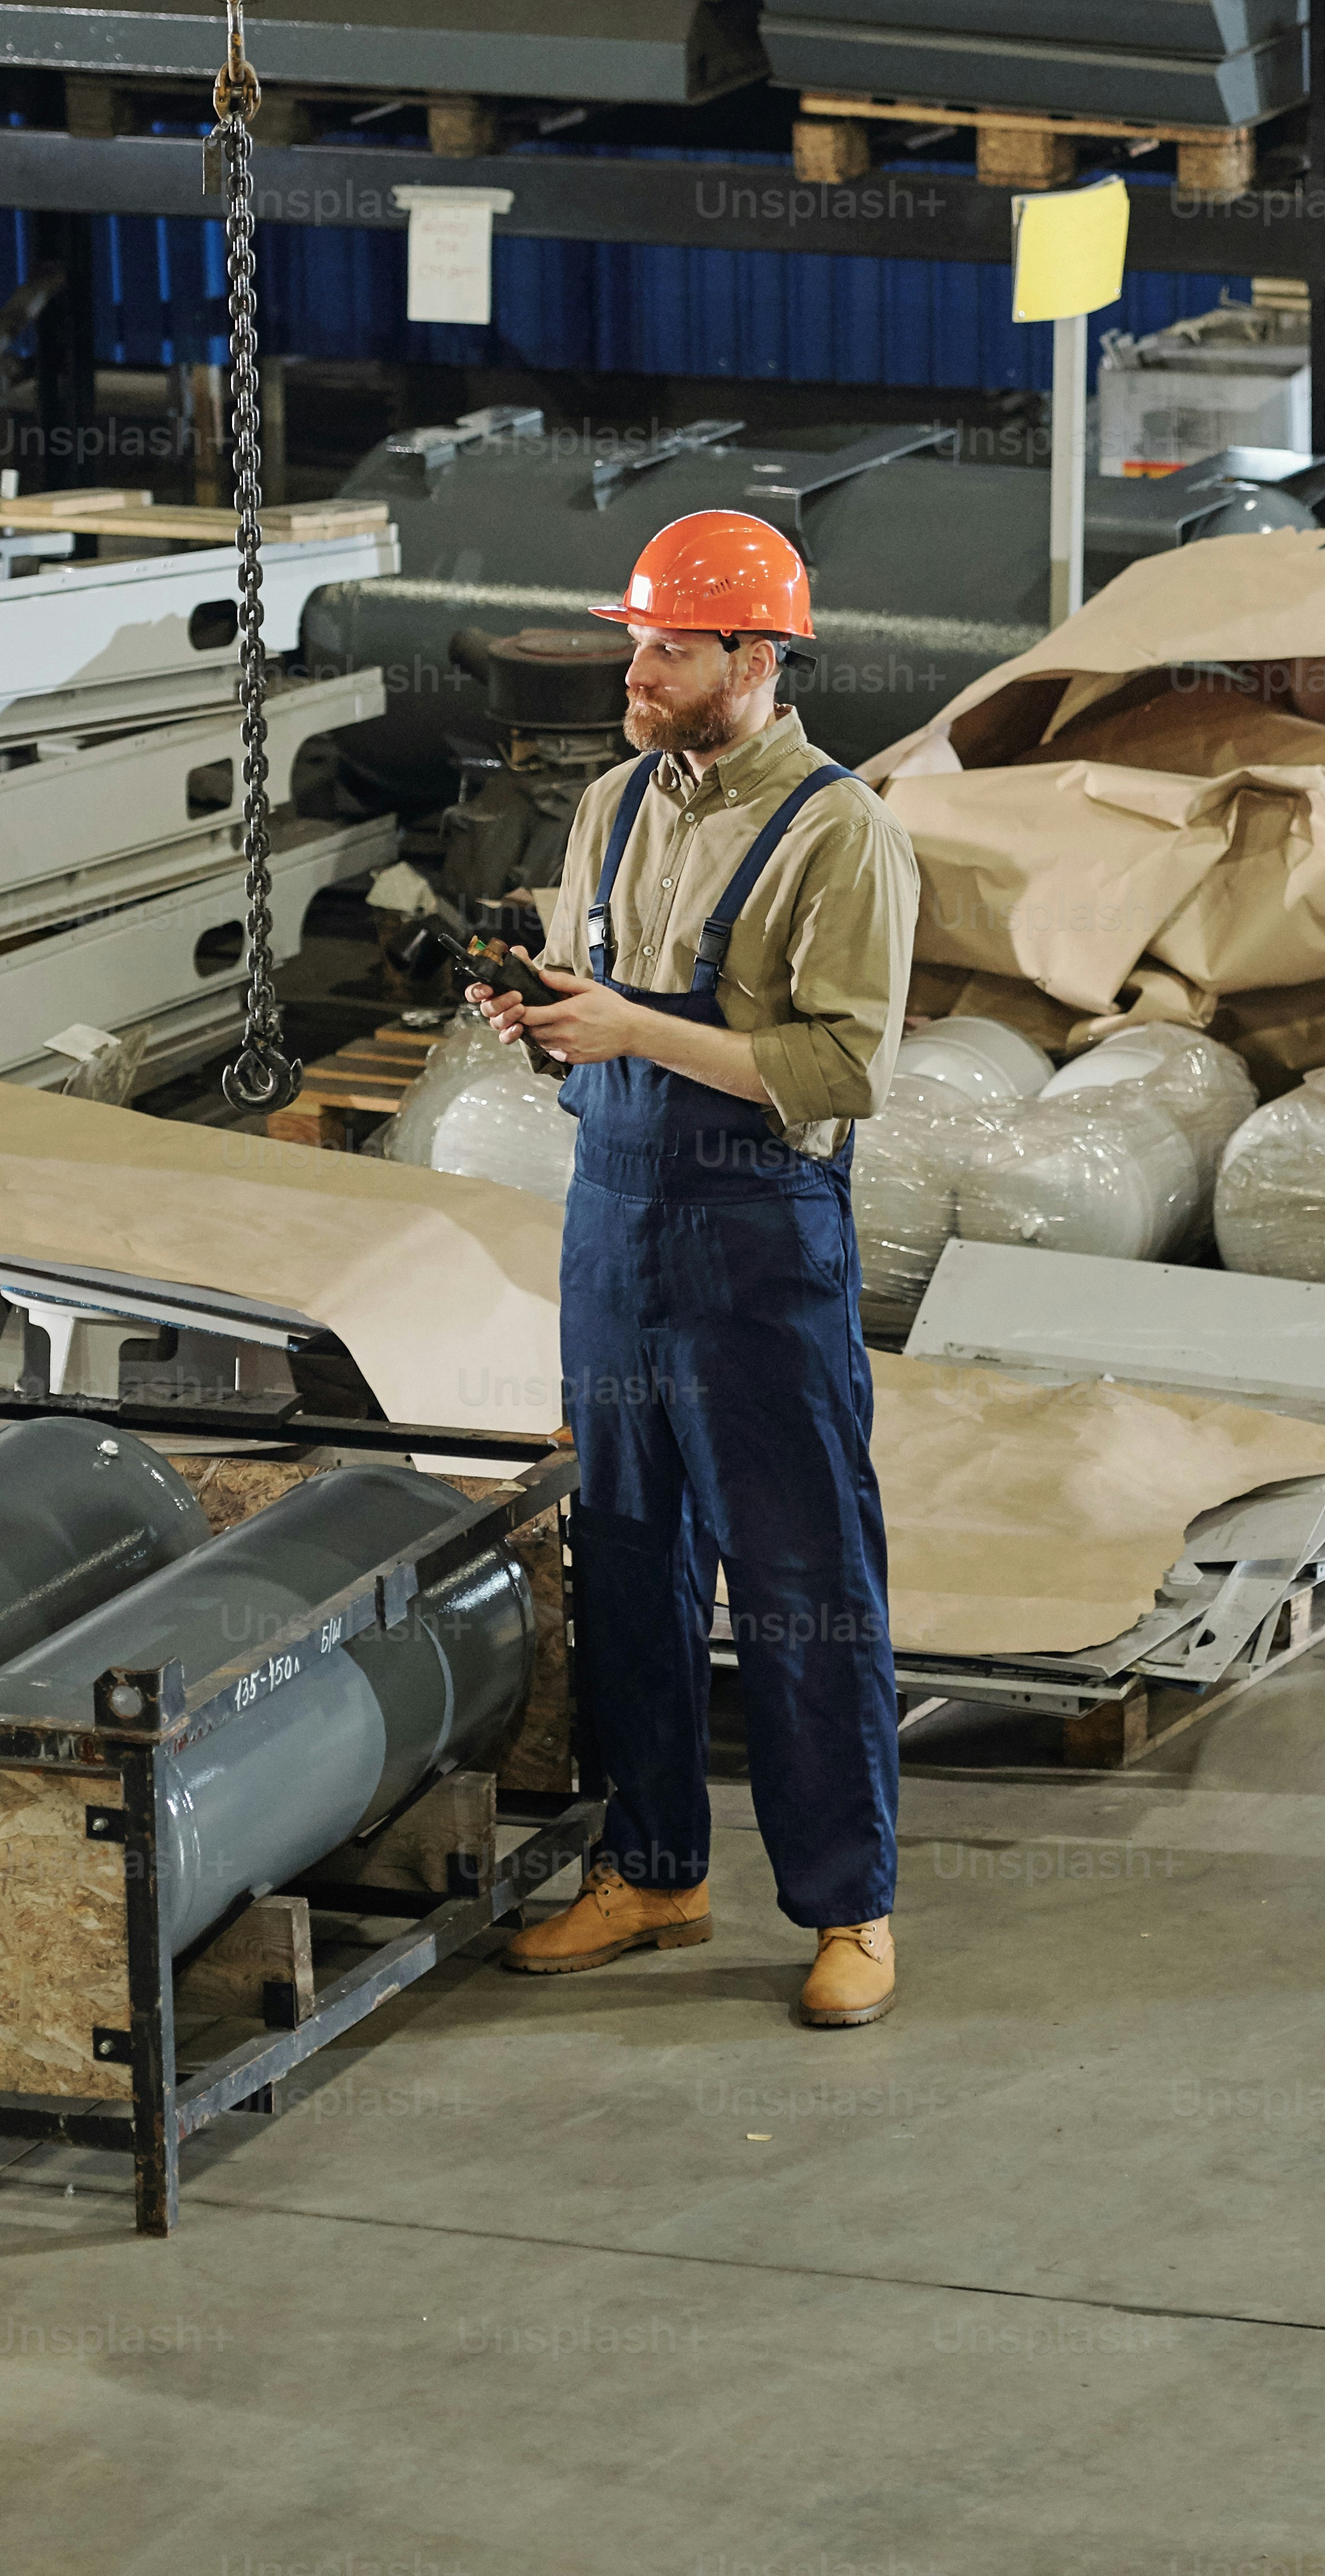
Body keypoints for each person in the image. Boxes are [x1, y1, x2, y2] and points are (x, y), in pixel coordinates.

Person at [481, 507, 923, 2026]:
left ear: (756, 658)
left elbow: (847, 1068)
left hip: (756, 1243)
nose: (641, 668)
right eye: (638, 641)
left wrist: (637, 1033)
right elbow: (597, 984)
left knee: (800, 1576)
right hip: (615, 1222)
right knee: (624, 1555)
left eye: (671, 647)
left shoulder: (839, 832)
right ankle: (657, 1865)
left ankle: (851, 1906)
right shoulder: (612, 801)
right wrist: (544, 1018)